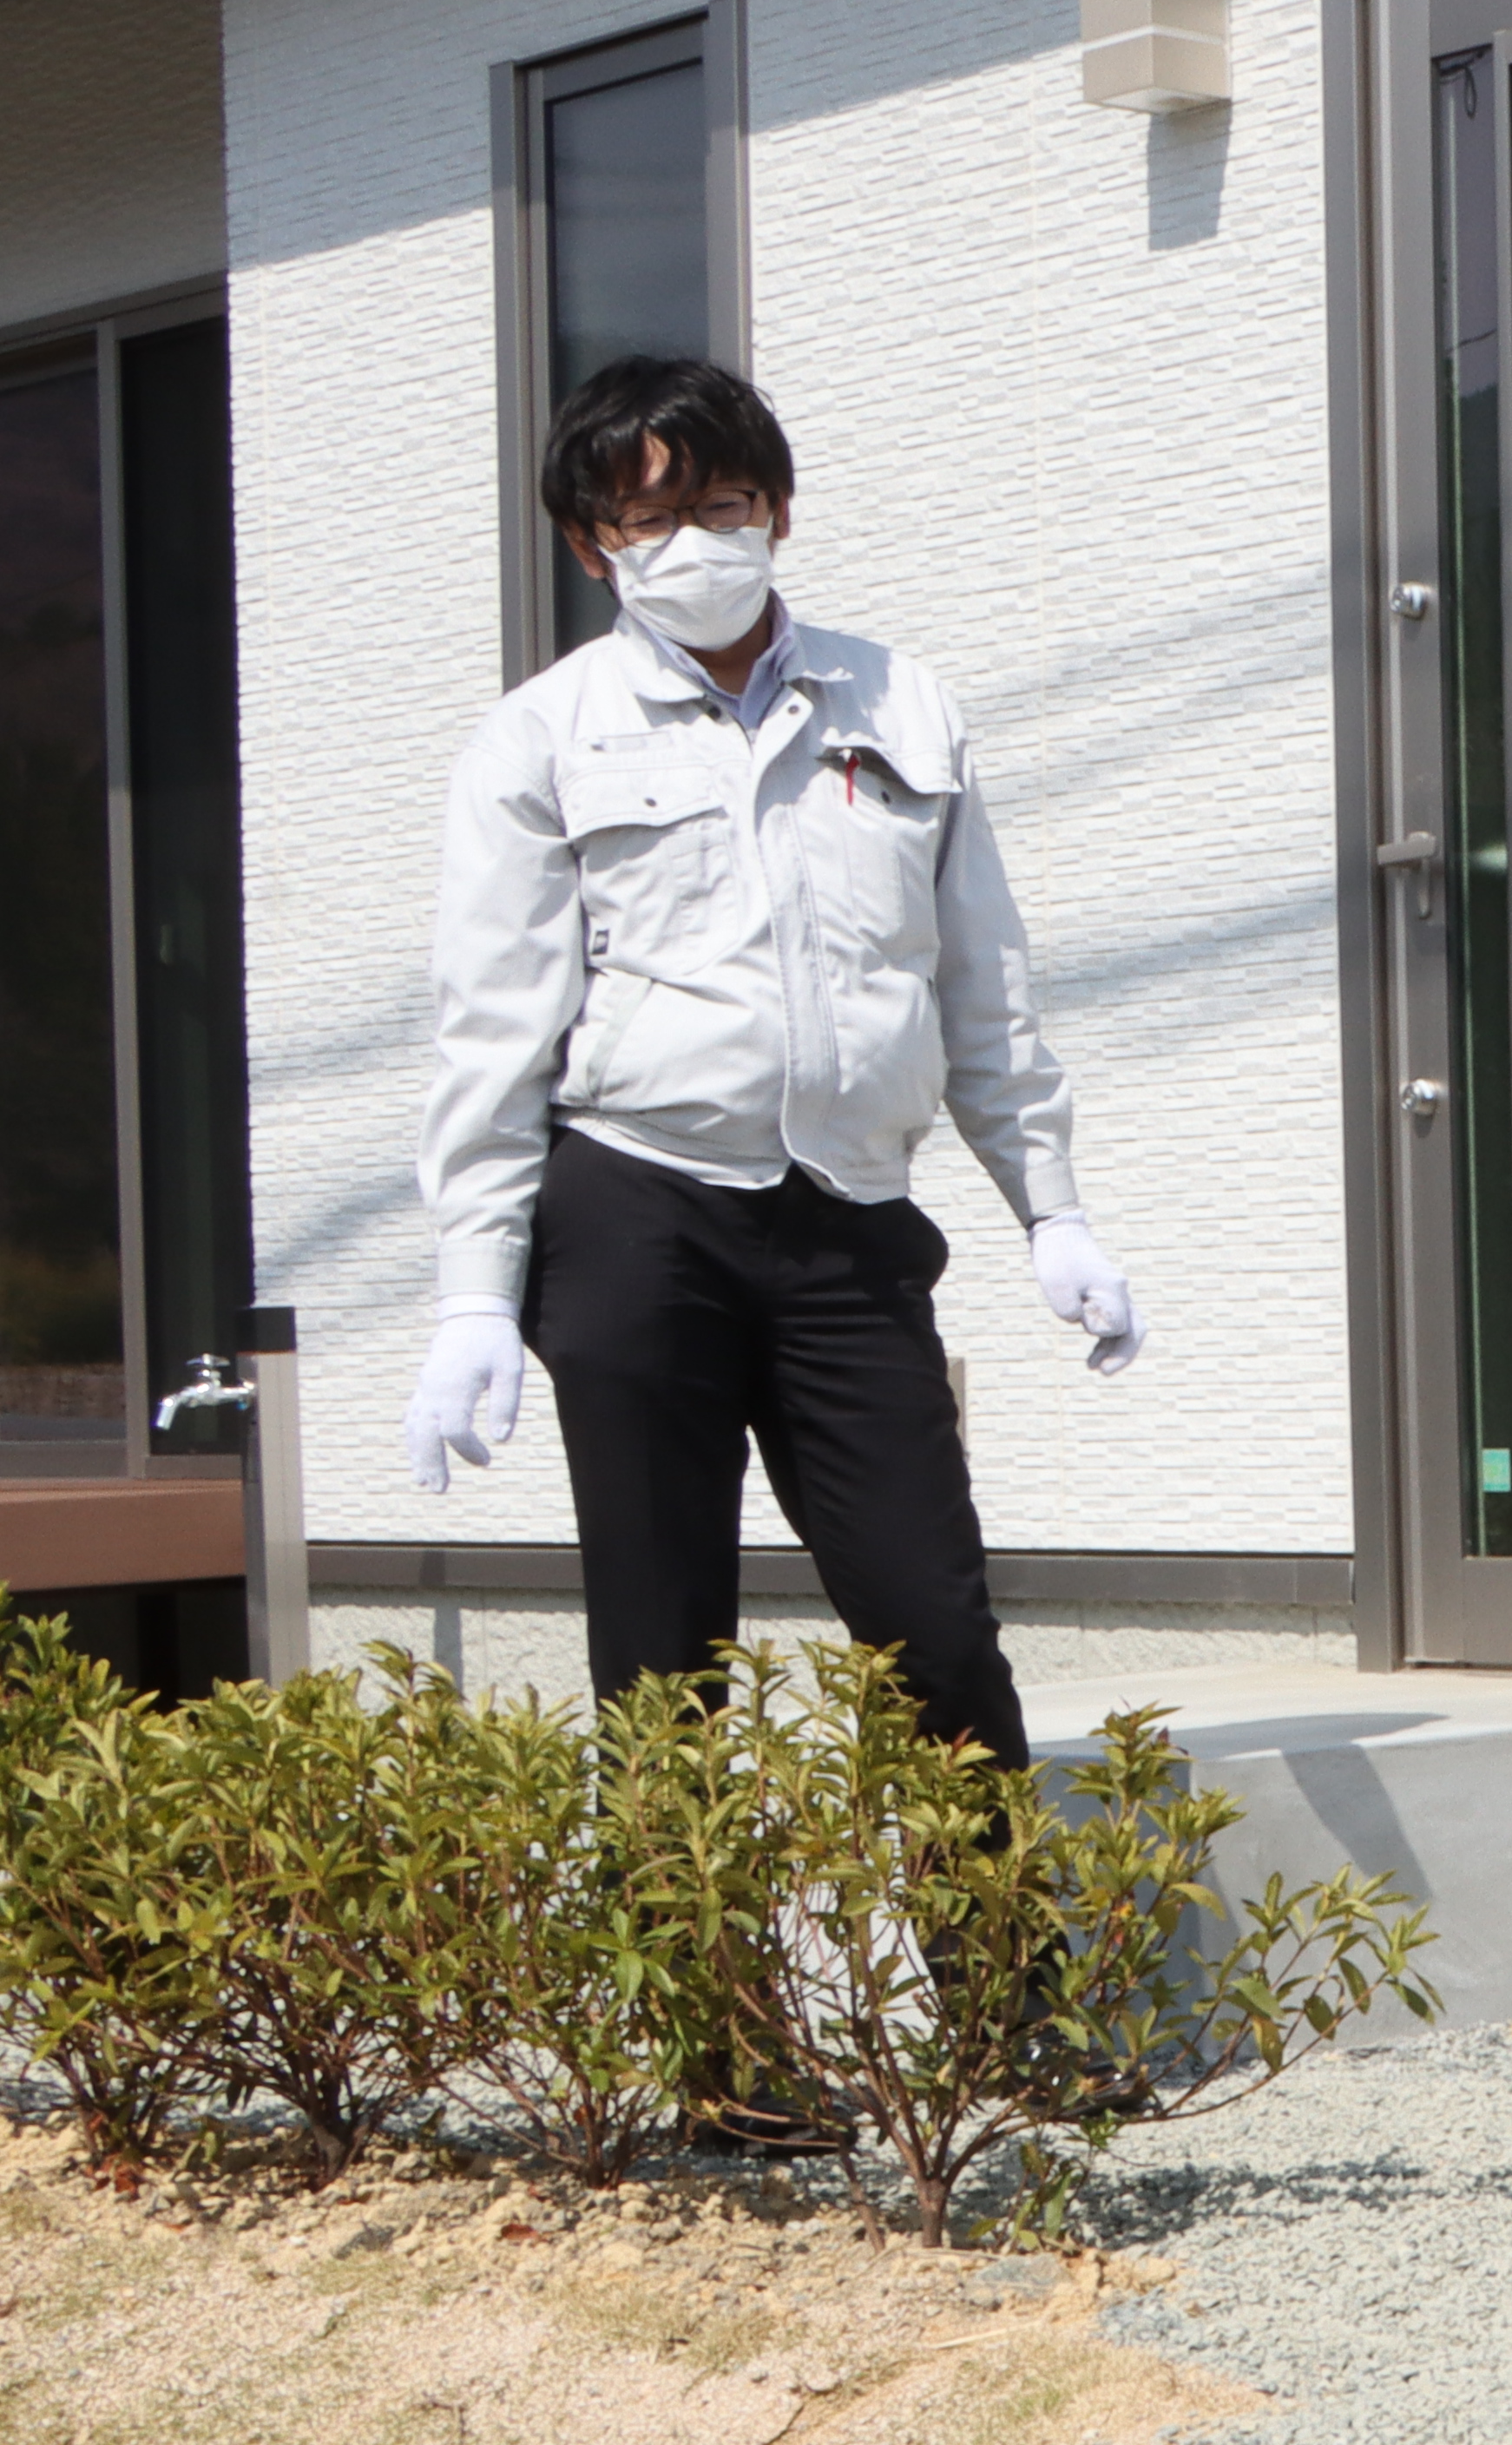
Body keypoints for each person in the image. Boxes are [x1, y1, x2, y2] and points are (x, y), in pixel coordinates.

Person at [407, 358, 1136, 1758]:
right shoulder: (542, 736)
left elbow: (981, 980)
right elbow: (496, 1027)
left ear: (779, 511)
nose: (689, 545)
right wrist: (471, 1298)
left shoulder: (900, 700)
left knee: (935, 1635)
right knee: (661, 1650)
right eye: (641, 521)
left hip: (850, 1223)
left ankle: (1000, 1984)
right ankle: (690, 1978)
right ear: (589, 545)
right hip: (634, 1212)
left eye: (722, 504)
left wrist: (1053, 1208)